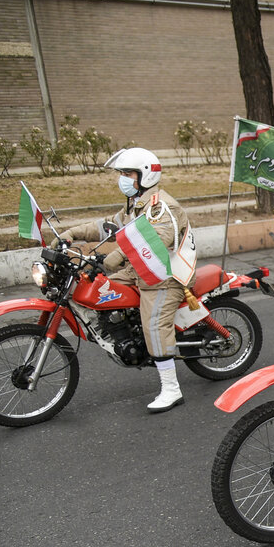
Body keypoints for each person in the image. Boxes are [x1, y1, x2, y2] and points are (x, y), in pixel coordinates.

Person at [65, 147, 190, 413]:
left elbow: (158, 237)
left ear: (144, 175)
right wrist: (72, 233)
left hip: (164, 275)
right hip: (138, 271)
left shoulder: (161, 206)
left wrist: (117, 255)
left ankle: (171, 389)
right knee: (96, 286)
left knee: (154, 323)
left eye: (126, 173)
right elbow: (108, 227)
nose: (122, 178)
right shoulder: (136, 205)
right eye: (121, 173)